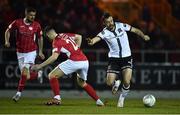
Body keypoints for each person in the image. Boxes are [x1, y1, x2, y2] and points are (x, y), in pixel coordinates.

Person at [86, 12, 150, 107]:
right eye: (108, 22)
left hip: (127, 57)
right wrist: (91, 42)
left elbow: (135, 30)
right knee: (109, 82)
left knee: (127, 81)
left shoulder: (122, 25)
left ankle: (121, 99)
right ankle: (116, 82)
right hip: (114, 59)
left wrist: (143, 35)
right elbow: (96, 39)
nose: (111, 23)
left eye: (111, 20)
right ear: (104, 23)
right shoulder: (104, 32)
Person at [31, 26, 104, 106]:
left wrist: (40, 66)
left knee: (52, 75)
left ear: (48, 35)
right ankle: (98, 101)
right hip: (84, 61)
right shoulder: (64, 35)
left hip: (75, 61)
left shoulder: (56, 41)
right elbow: (79, 37)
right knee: (82, 83)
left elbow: (54, 57)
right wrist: (77, 49)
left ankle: (57, 98)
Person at [4, 7, 45, 102]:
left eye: (34, 15)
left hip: (31, 51)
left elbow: (40, 38)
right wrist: (6, 41)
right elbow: (7, 31)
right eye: (31, 15)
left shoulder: (37, 25)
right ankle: (38, 73)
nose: (33, 17)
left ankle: (18, 93)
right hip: (20, 52)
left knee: (24, 71)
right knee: (27, 76)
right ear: (26, 14)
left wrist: (40, 51)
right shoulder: (17, 23)